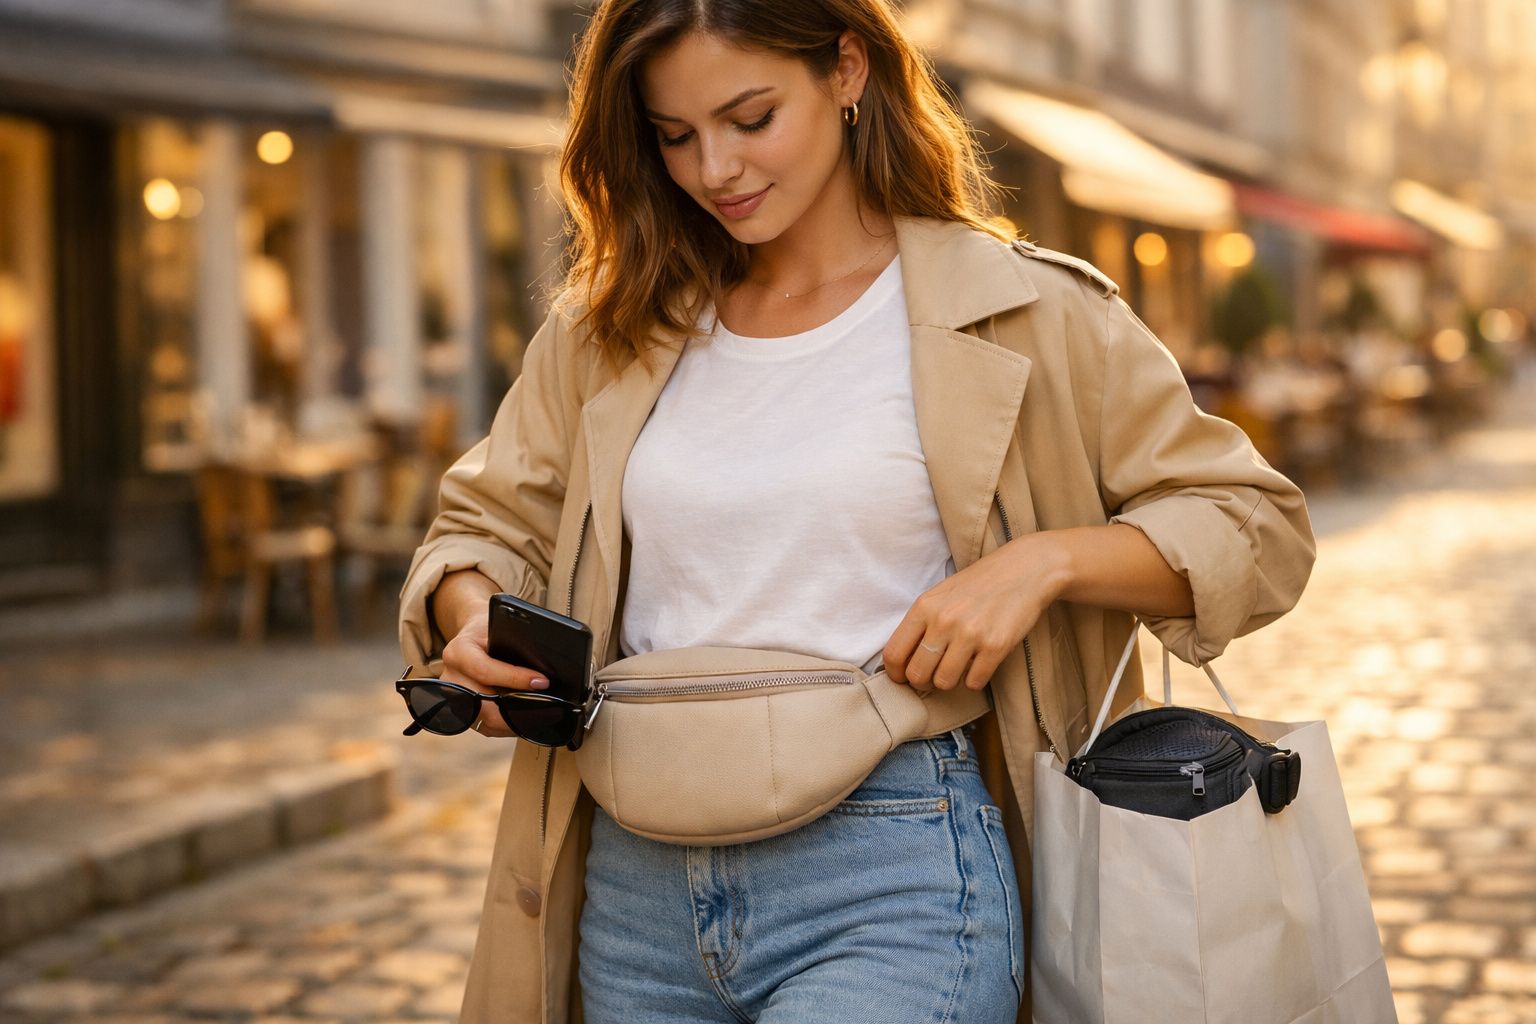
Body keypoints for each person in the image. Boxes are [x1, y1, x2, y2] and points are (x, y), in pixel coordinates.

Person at [397, 1, 1317, 1021]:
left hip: (895, 866)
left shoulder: (1030, 311)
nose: (716, 170)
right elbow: (481, 530)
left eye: (751, 118)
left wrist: (1044, 562)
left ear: (846, 70)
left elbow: (1255, 524)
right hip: (632, 885)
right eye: (675, 136)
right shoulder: (605, 331)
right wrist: (472, 613)